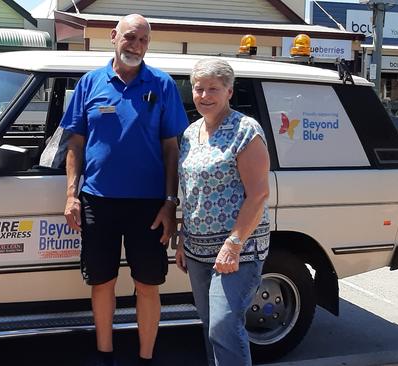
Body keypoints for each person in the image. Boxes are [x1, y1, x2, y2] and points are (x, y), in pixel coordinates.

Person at [60, 14, 188, 366]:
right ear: (114, 36)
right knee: (102, 282)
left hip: (148, 206)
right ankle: (105, 354)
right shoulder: (89, 84)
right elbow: (75, 143)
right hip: (97, 201)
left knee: (147, 284)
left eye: (144, 40)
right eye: (131, 38)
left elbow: (172, 149)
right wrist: (72, 195)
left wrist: (170, 203)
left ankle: (146, 357)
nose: (137, 46)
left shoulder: (161, 85)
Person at [175, 58, 270, 366]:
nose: (204, 96)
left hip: (237, 251)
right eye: (199, 89)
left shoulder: (245, 130)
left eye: (213, 89)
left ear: (229, 91)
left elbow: (258, 194)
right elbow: (190, 191)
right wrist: (181, 239)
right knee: (211, 325)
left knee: (224, 325)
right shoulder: (190, 133)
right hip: (197, 249)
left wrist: (233, 245)